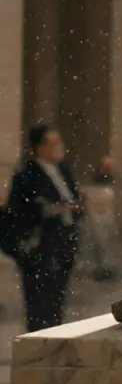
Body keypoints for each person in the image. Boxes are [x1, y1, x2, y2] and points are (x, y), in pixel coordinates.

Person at [6, 125, 84, 332]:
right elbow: (19, 209)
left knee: (57, 300)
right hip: (41, 245)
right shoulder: (27, 174)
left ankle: (54, 342)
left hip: (64, 242)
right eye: (53, 143)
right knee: (39, 303)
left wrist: (74, 208)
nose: (59, 147)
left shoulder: (63, 169)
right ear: (39, 147)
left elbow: (74, 198)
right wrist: (48, 210)